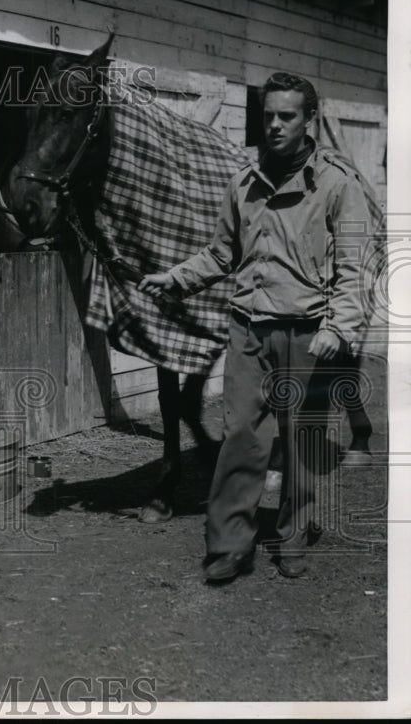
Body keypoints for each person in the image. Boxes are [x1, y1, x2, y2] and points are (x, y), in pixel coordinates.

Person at [138, 72, 375, 582]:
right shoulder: (243, 182)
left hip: (310, 333)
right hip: (248, 329)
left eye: (286, 116)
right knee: (240, 434)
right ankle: (228, 545)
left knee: (303, 437)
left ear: (308, 119)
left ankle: (292, 534)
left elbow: (357, 269)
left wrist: (339, 328)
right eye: (267, 115)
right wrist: (175, 279)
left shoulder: (338, 183)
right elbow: (222, 253)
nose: (274, 125)